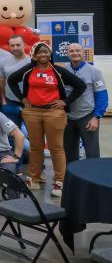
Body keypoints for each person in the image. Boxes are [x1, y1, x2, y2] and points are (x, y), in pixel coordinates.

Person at [7, 42, 85, 197]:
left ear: (50, 54)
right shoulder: (28, 70)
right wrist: (22, 99)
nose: (43, 55)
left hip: (54, 112)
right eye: (40, 52)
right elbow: (11, 80)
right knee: (36, 147)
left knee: (56, 148)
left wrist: (66, 102)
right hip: (32, 112)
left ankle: (59, 182)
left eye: (46, 52)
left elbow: (80, 86)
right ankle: (34, 178)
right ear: (34, 55)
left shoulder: (58, 71)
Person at [65, 42, 106, 162]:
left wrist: (96, 117)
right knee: (69, 153)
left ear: (83, 53)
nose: (75, 53)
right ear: (67, 54)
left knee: (92, 153)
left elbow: (102, 95)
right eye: (71, 51)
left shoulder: (94, 72)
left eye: (78, 50)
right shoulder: (63, 70)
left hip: (87, 117)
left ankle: (94, 177)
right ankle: (73, 178)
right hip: (68, 117)